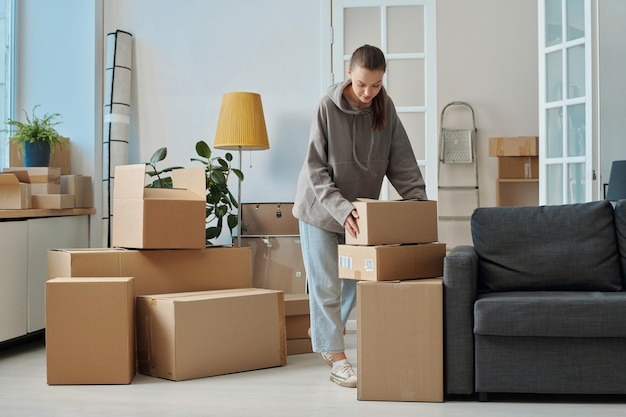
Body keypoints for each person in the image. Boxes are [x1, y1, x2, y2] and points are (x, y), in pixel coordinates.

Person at [292, 44, 428, 388]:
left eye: (377, 85)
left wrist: (418, 205)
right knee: (325, 284)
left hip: (361, 213)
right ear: (349, 73)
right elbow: (314, 170)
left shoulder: (384, 108)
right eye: (363, 84)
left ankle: (326, 333)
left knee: (355, 283)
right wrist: (341, 209)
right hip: (320, 209)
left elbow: (402, 161)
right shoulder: (326, 108)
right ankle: (337, 357)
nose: (368, 93)